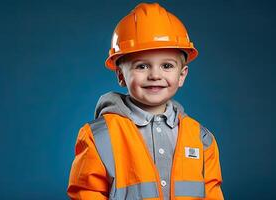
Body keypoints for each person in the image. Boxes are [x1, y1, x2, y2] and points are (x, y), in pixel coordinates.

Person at [67, 2, 224, 200]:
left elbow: (212, 193)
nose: (155, 75)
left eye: (167, 65)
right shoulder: (98, 136)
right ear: (121, 76)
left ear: (182, 75)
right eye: (141, 66)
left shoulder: (201, 139)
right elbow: (86, 193)